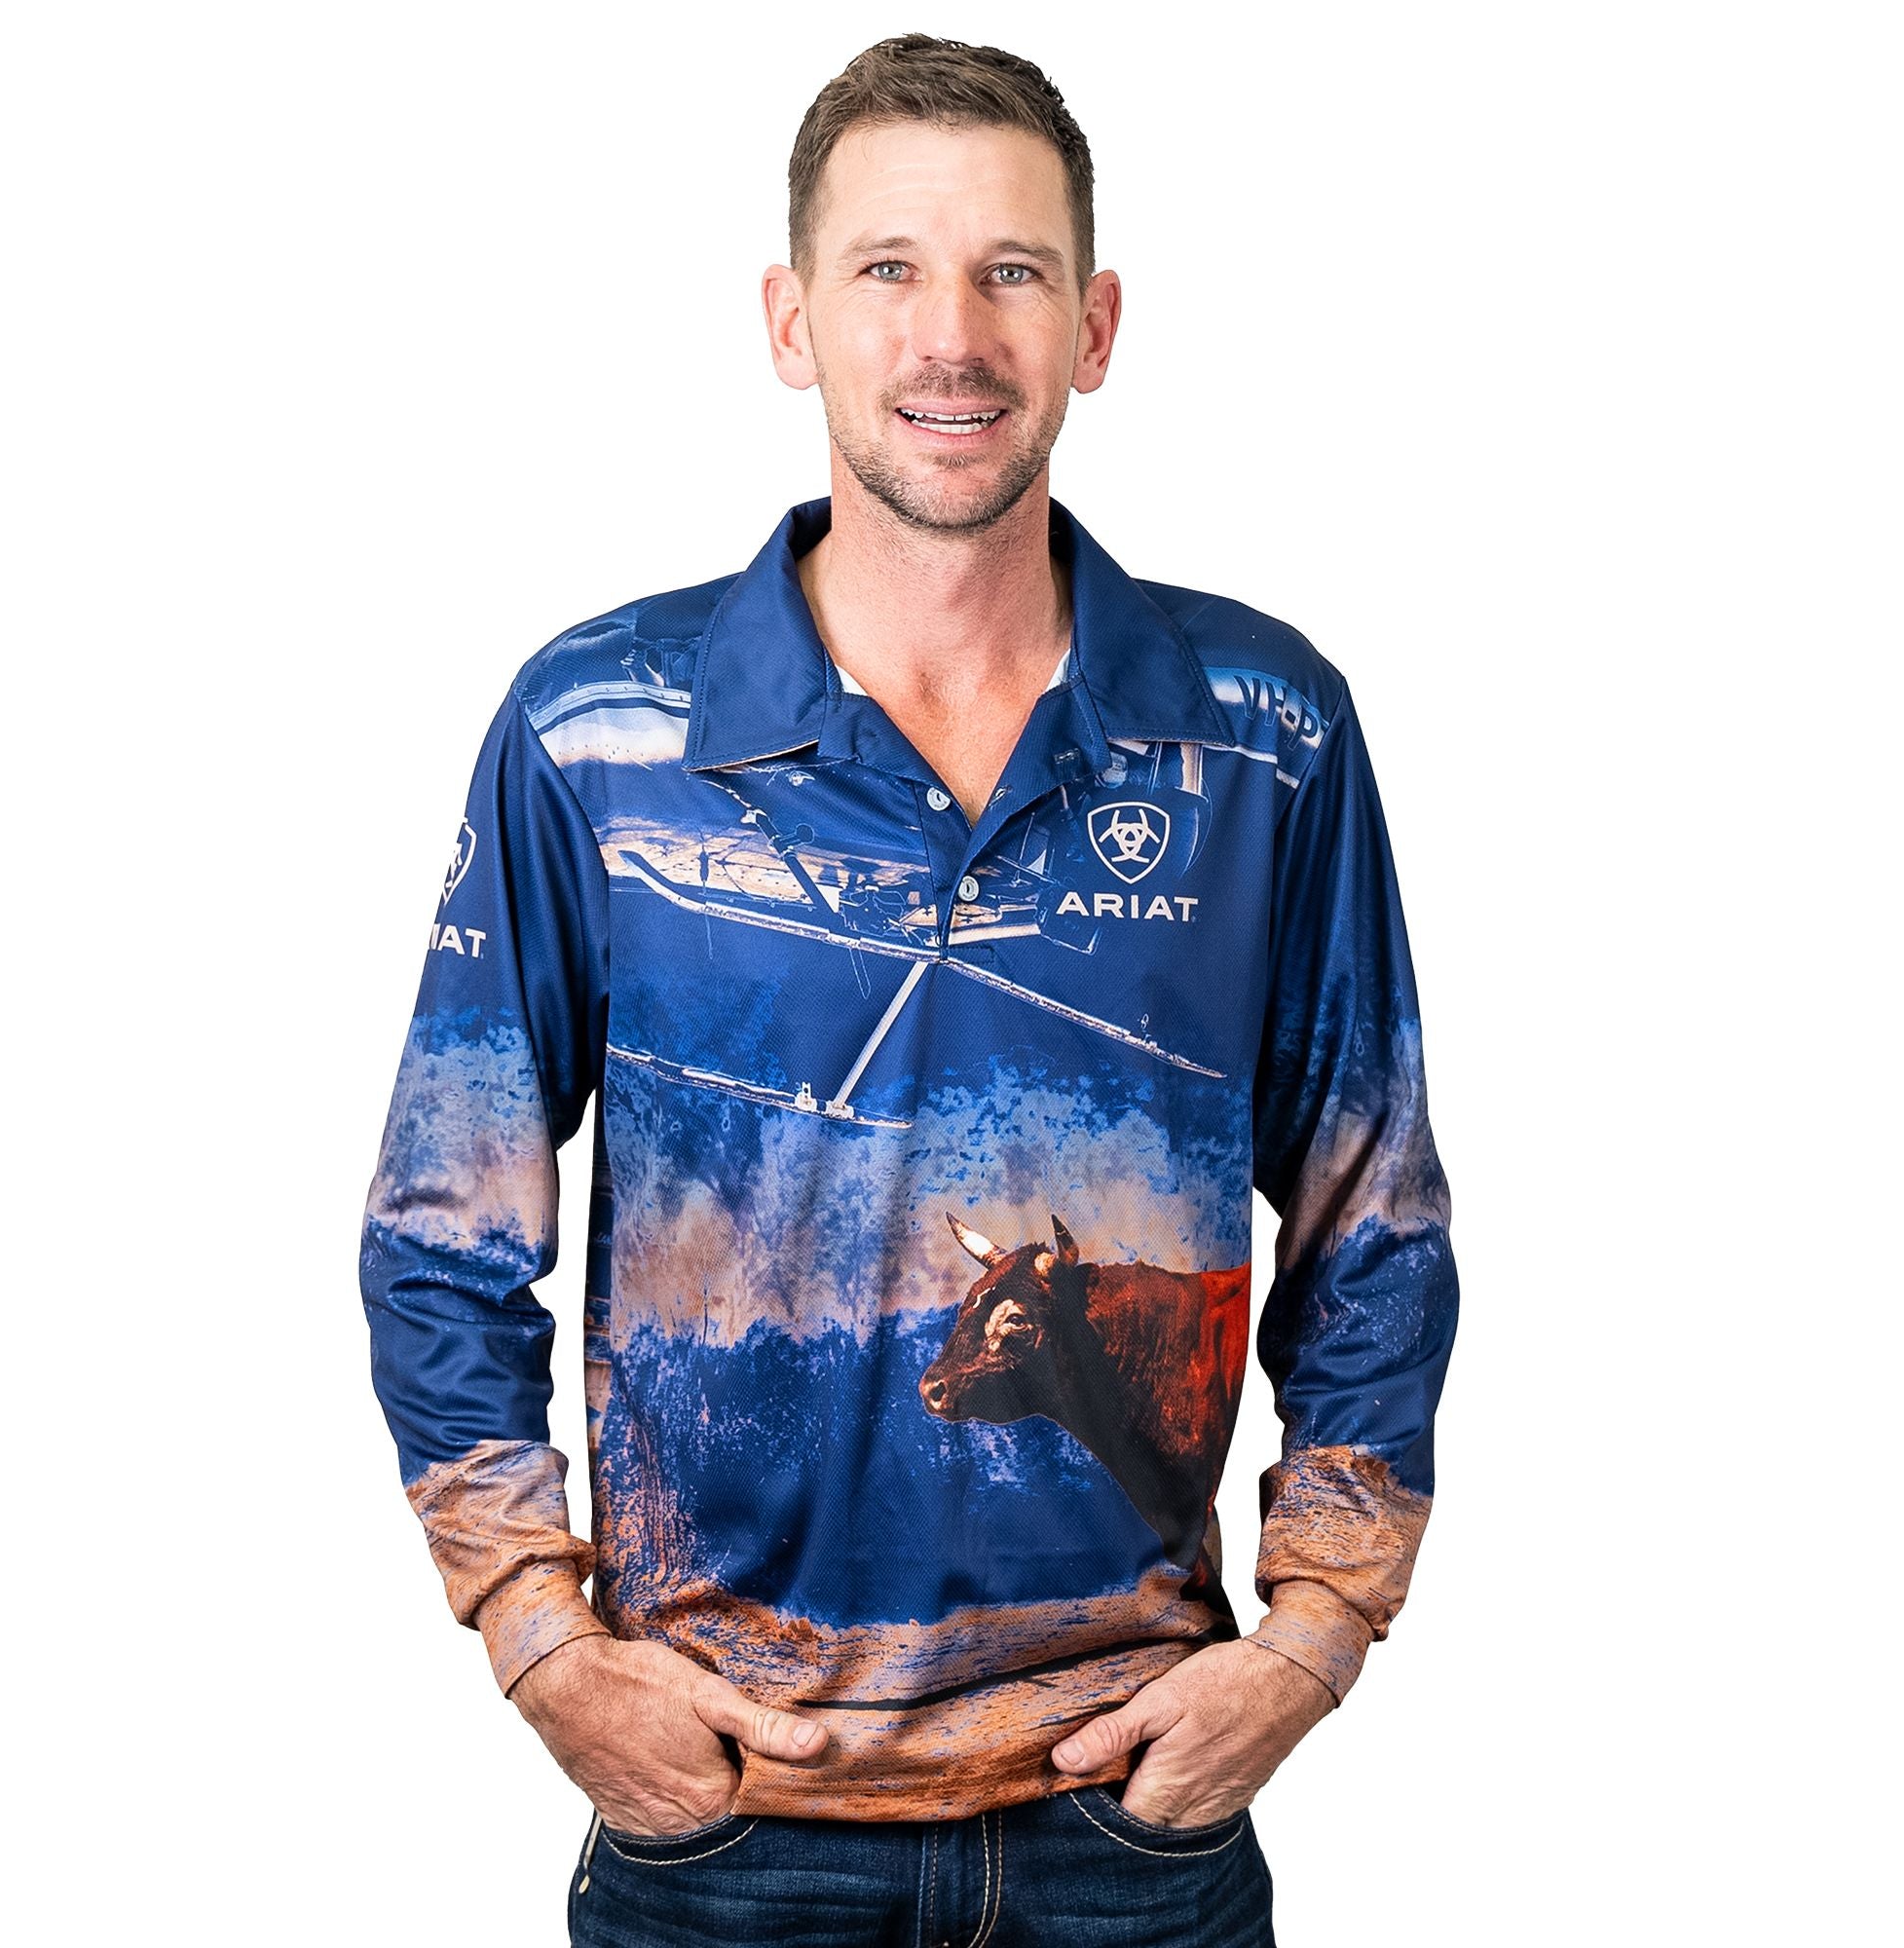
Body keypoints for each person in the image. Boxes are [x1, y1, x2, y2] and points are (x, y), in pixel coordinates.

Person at [359, 33, 1457, 1948]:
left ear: (1094, 326)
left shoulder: (1261, 732)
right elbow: (441, 1228)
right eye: (888, 268)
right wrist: (541, 1641)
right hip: (727, 1823)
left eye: (1010, 271)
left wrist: (1313, 1639)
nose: (951, 335)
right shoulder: (597, 730)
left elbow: (1375, 1215)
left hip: (1135, 1820)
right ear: (792, 321)